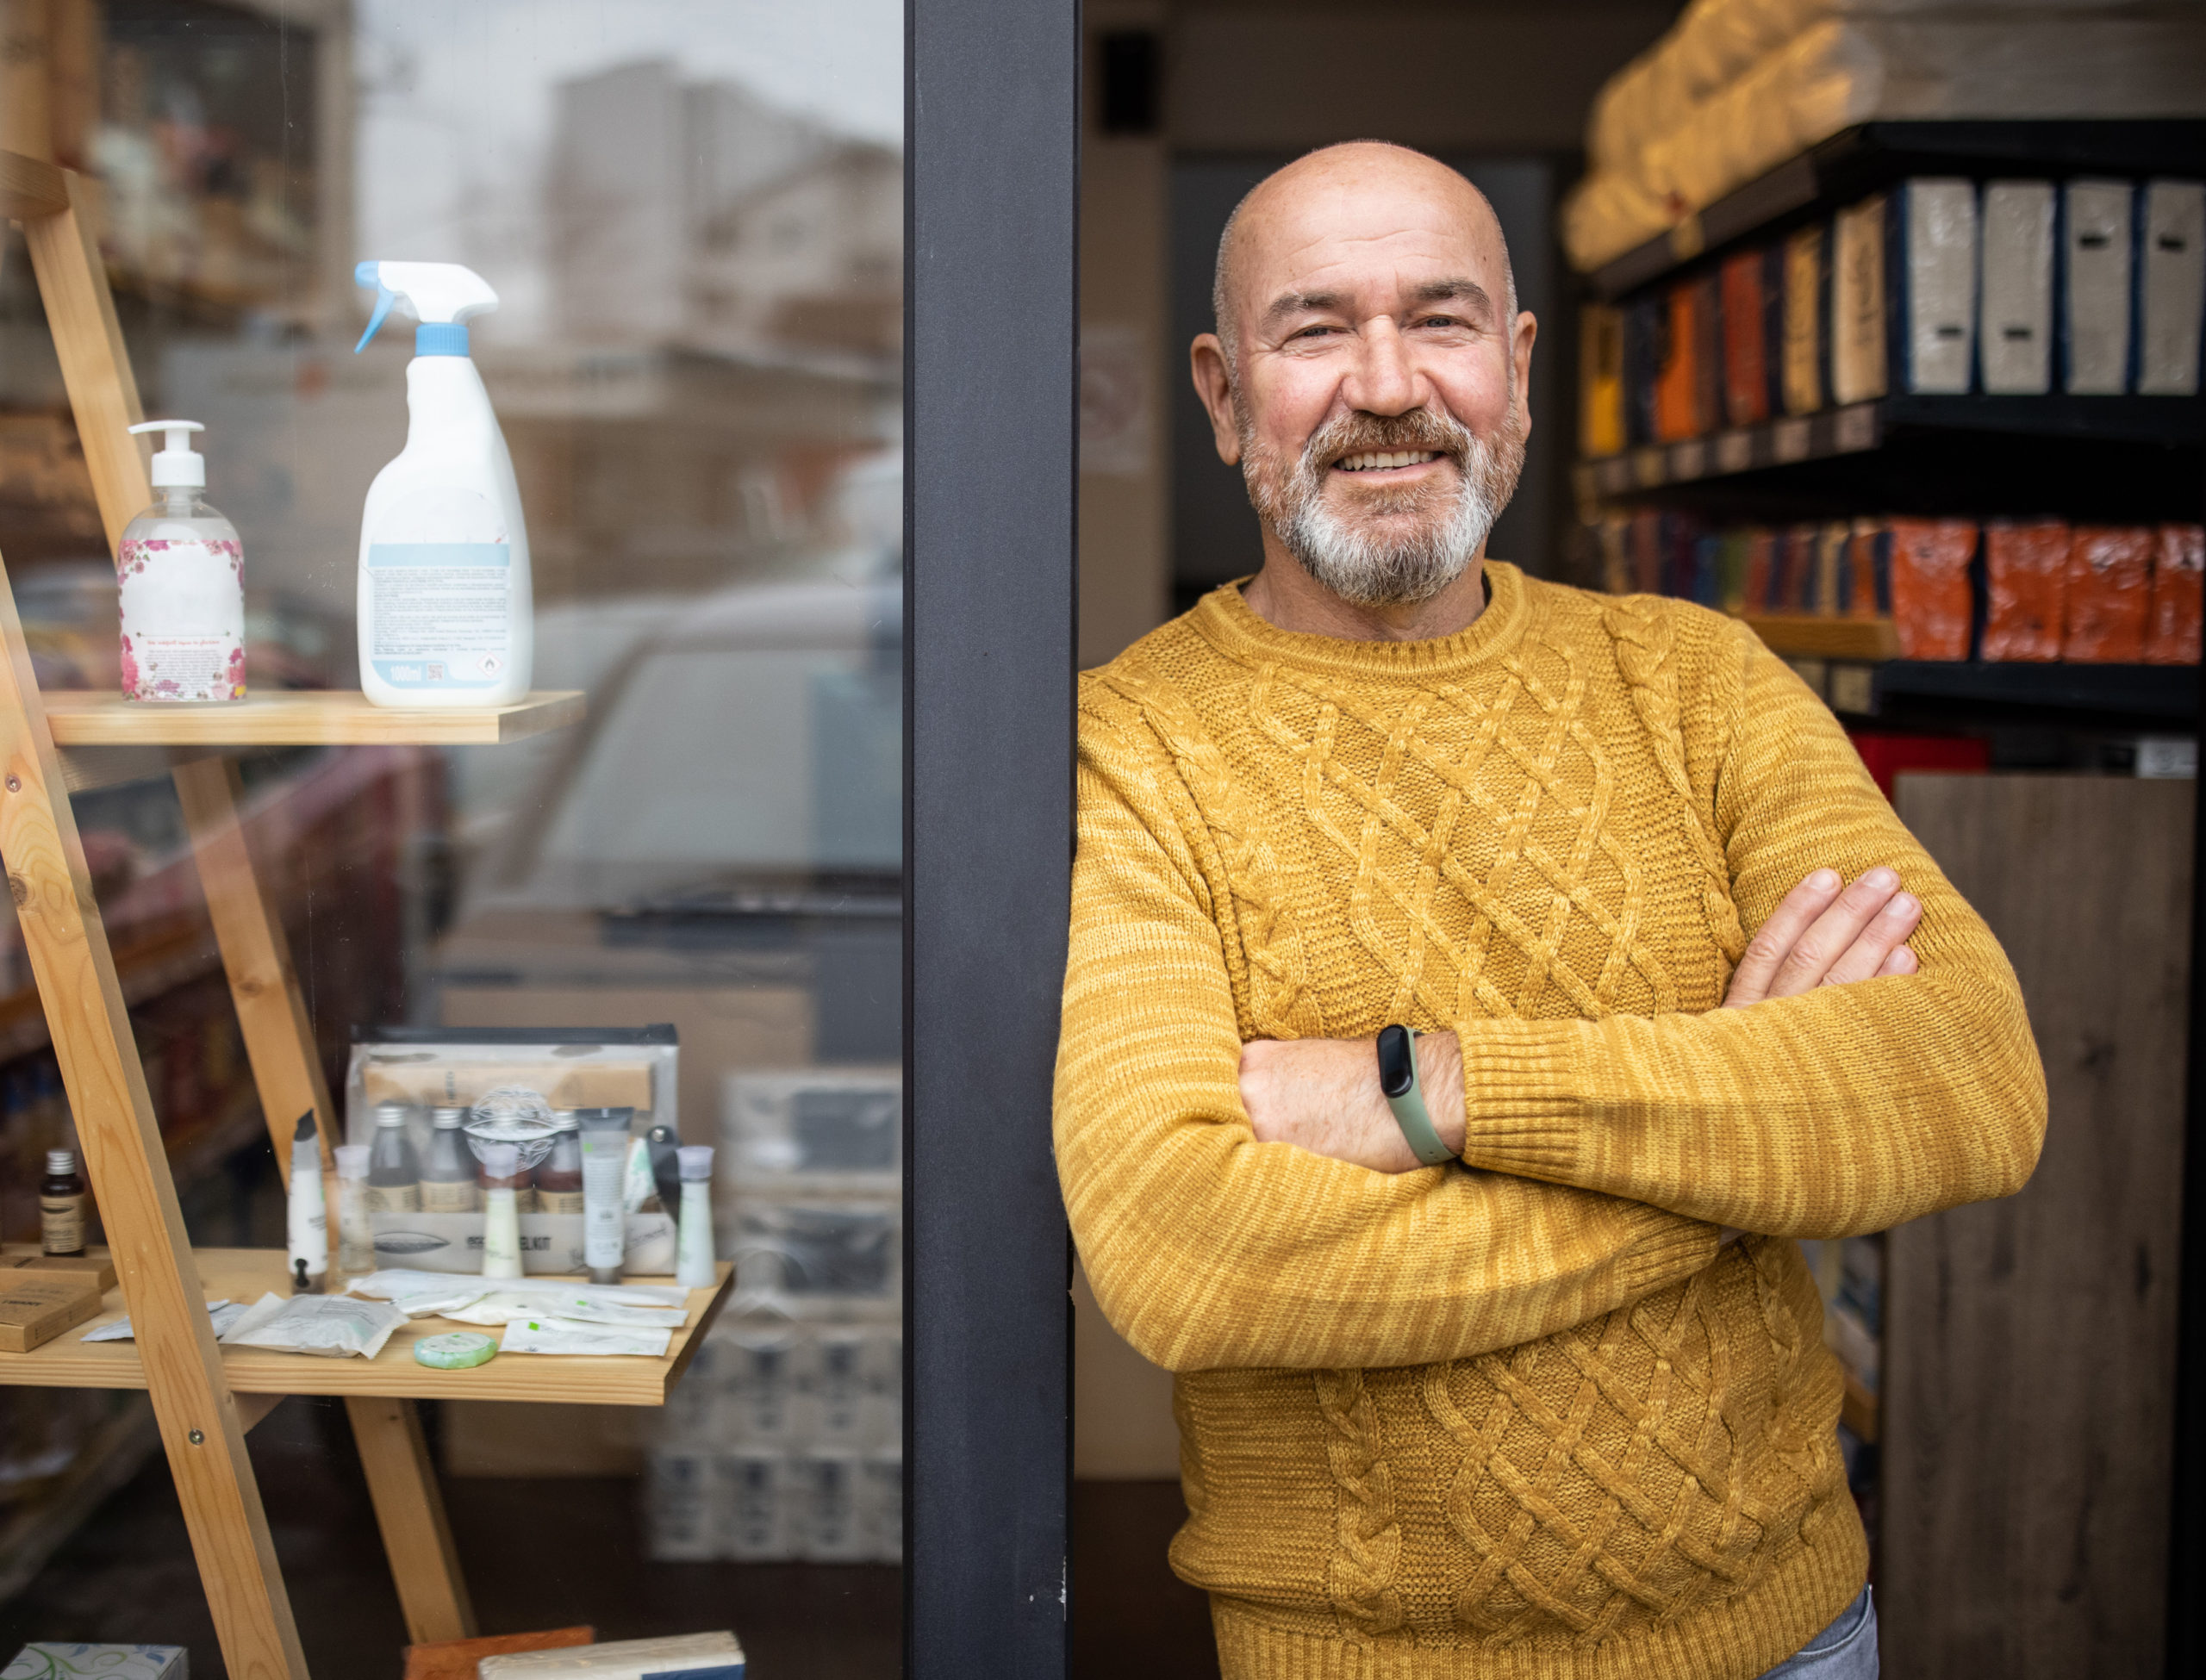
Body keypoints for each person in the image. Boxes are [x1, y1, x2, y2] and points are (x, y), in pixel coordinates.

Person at [1054, 141, 2045, 1680]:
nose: (1388, 384)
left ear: (1515, 370)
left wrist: (1430, 1088)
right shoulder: (1128, 747)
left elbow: (1971, 1077)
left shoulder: (1700, 682)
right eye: (1315, 330)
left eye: (1441, 320)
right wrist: (1739, 1139)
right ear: (1225, 390)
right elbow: (1188, 1252)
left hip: (1796, 1634)